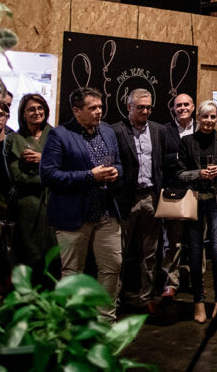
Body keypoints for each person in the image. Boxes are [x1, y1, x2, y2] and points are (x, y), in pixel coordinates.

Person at [40, 87, 123, 321]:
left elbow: (119, 163)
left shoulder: (107, 131)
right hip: (73, 215)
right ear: (77, 111)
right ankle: (72, 323)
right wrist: (89, 176)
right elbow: (49, 175)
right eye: (92, 108)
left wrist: (116, 172)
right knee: (72, 273)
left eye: (100, 107)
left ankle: (105, 320)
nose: (99, 112)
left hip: (106, 213)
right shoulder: (60, 135)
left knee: (112, 266)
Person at [110, 88, 172, 315]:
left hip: (150, 197)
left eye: (148, 107)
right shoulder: (116, 131)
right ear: (129, 107)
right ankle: (115, 301)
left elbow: (161, 164)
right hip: (126, 199)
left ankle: (146, 297)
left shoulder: (158, 130)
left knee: (150, 252)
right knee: (119, 254)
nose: (145, 111)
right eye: (140, 107)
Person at [178, 100, 217, 323]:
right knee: (194, 251)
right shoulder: (187, 141)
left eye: (213, 117)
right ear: (198, 118)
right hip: (194, 201)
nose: (209, 121)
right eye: (205, 117)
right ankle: (199, 301)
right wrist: (199, 174)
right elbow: (179, 174)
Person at [5, 93, 55, 275]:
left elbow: (68, 166)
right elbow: (17, 176)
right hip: (28, 206)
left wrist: (42, 160)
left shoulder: (56, 135)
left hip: (54, 204)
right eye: (31, 109)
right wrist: (52, 175)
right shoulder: (13, 140)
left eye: (40, 108)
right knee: (28, 257)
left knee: (54, 257)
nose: (37, 112)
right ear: (23, 114)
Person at [160, 92, 194, 299]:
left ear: (193, 107)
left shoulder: (202, 128)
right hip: (174, 192)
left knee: (197, 239)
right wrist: (180, 156)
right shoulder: (164, 130)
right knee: (172, 242)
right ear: (173, 108)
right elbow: (159, 158)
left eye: (186, 104)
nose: (182, 108)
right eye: (178, 105)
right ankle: (170, 283)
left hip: (198, 192)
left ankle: (197, 281)